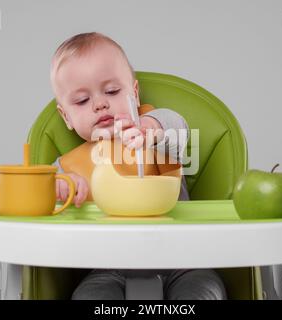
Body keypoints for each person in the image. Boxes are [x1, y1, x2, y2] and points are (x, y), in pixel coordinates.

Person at [50, 32, 226, 300]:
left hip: (185, 261)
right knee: (89, 297)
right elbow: (44, 194)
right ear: (66, 117)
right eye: (82, 101)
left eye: (112, 91)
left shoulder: (155, 133)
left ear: (134, 93)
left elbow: (177, 125)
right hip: (109, 267)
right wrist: (63, 187)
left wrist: (150, 129)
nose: (100, 104)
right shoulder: (70, 165)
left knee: (202, 291)